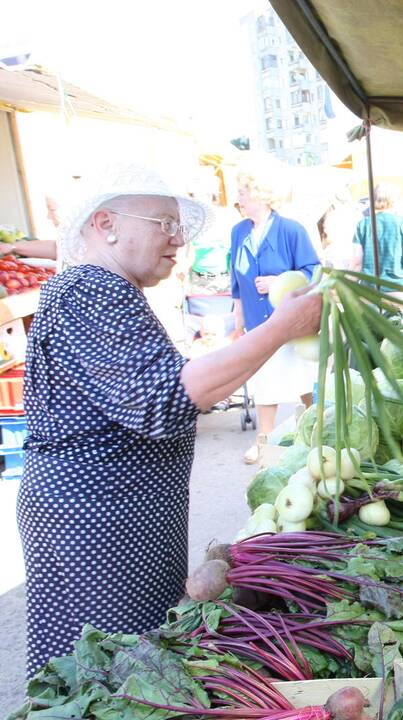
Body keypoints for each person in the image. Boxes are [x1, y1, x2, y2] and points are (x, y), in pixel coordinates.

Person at [16, 165, 321, 676]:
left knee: (128, 664)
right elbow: (162, 401)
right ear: (105, 224)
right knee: (107, 672)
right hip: (96, 522)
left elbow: (168, 389)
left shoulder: (105, 289)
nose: (178, 238)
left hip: (117, 517)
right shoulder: (91, 289)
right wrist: (282, 327)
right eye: (164, 223)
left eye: (179, 226)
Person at [230, 164, 322, 464]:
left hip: (293, 320)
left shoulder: (291, 229)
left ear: (261, 195)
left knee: (304, 382)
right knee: (265, 382)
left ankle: (317, 434)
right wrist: (238, 320)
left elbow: (313, 272)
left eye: (243, 193)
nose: (239, 198)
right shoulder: (238, 231)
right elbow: (235, 279)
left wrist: (278, 280)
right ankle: (264, 443)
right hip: (257, 321)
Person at [352, 184, 403, 316]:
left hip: (370, 293)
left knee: (373, 334)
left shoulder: (363, 225)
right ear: (396, 201)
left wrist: (347, 289)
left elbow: (356, 263)